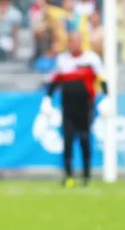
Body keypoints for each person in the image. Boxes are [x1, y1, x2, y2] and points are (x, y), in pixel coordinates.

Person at [40, 32, 110, 188]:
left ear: (81, 42)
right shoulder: (62, 60)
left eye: (76, 41)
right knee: (68, 141)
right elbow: (55, 81)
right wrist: (47, 99)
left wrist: (106, 98)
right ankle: (69, 176)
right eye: (71, 41)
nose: (73, 44)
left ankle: (86, 176)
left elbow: (102, 78)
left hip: (85, 107)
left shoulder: (91, 59)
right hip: (67, 107)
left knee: (85, 140)